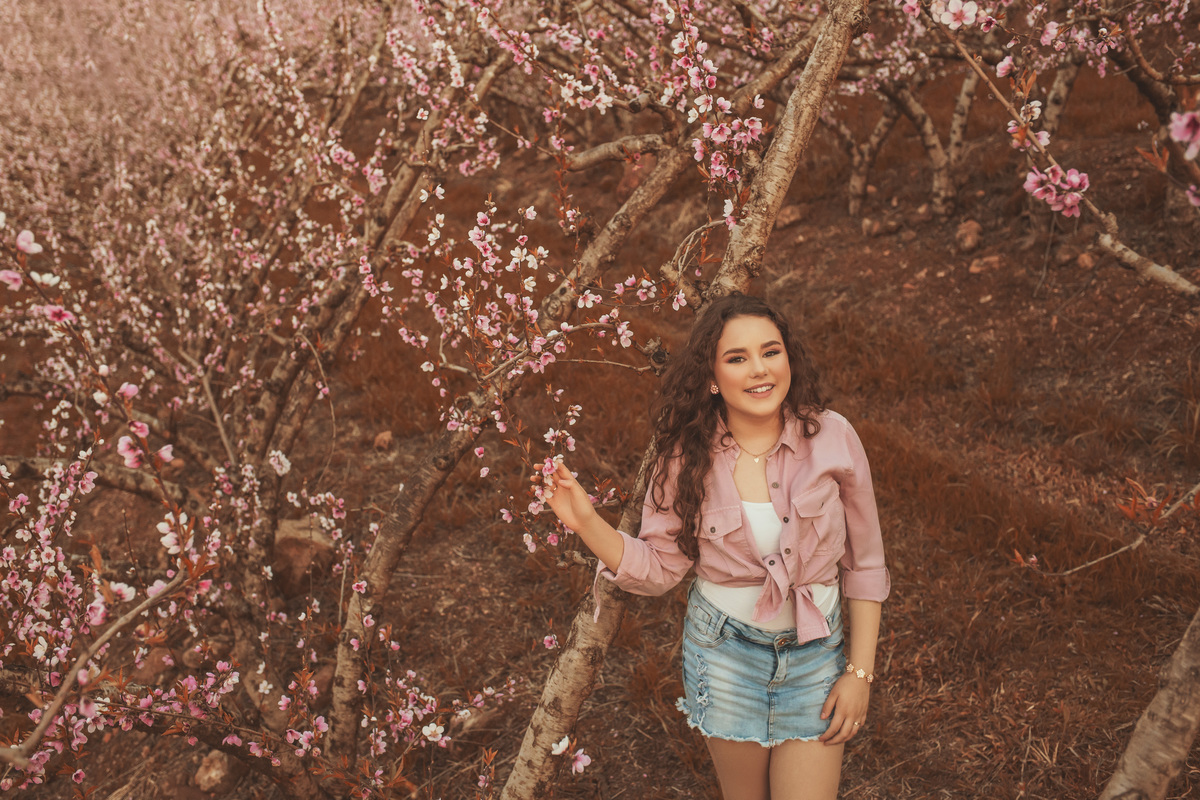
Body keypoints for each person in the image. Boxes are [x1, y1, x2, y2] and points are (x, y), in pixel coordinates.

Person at [543, 292, 890, 800]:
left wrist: (859, 673)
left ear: (788, 358)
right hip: (725, 658)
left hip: (816, 656)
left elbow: (866, 564)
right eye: (737, 358)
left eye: (770, 351)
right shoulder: (684, 456)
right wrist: (586, 521)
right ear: (711, 377)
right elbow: (659, 568)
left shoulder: (833, 437)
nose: (759, 370)